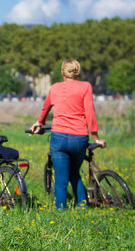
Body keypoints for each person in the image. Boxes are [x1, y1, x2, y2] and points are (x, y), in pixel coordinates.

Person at [30, 59, 106, 209]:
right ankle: (83, 208)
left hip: (59, 137)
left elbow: (45, 109)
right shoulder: (86, 86)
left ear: (62, 72)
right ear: (78, 71)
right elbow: (90, 113)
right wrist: (96, 137)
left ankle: (60, 214)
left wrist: (40, 123)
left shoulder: (55, 88)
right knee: (74, 174)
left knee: (61, 180)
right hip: (79, 138)